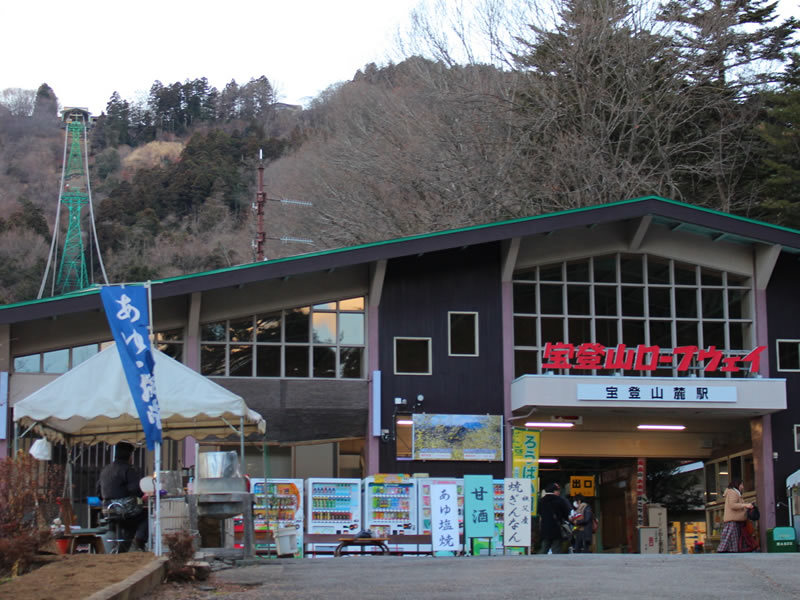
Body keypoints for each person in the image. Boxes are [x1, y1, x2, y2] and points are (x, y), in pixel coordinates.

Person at [97, 441, 148, 552]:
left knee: (128, 521)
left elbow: (98, 493)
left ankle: (123, 547)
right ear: (130, 456)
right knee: (145, 514)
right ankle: (139, 540)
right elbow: (136, 490)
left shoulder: (105, 470)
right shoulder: (128, 469)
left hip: (107, 510)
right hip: (123, 508)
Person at [716, 478, 753, 553]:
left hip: (735, 520)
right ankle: (725, 552)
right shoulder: (733, 493)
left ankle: (730, 553)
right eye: (741, 485)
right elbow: (732, 505)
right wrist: (745, 505)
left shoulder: (734, 493)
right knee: (731, 539)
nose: (742, 487)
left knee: (732, 540)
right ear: (737, 485)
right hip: (733, 521)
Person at [538, 482, 571, 554]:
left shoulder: (541, 501)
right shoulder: (560, 500)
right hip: (557, 528)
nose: (559, 492)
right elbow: (566, 514)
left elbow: (539, 512)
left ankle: (538, 562)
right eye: (558, 491)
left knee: (544, 548)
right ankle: (556, 564)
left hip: (545, 528)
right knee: (556, 549)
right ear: (554, 491)